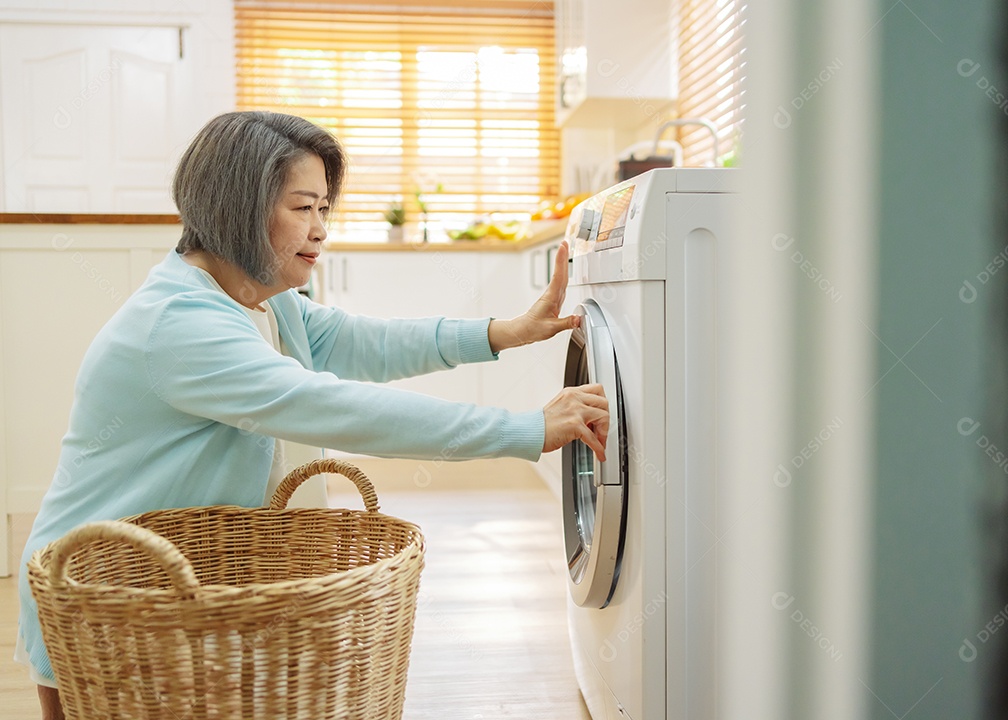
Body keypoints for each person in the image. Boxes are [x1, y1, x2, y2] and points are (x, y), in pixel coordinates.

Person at [17, 111, 609, 719]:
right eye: (302, 208)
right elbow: (338, 410)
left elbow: (367, 342)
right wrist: (523, 429)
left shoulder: (262, 299)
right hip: (100, 595)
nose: (321, 228)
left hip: (182, 593)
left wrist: (503, 332)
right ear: (237, 208)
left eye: (324, 208)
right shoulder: (181, 324)